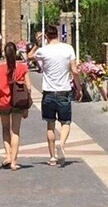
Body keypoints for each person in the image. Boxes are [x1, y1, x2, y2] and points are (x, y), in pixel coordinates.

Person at [28, 26, 78, 167]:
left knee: (50, 125)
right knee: (66, 122)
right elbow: (74, 70)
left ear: (47, 37)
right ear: (58, 34)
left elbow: (29, 56)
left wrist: (37, 44)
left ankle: (52, 158)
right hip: (64, 91)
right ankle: (61, 144)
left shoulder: (43, 51)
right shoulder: (68, 48)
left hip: (48, 92)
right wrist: (79, 88)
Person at [0, 41, 30, 171]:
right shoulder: (22, 68)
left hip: (3, 103)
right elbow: (28, 88)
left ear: (4, 53)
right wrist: (26, 107)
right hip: (18, 103)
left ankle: (8, 155)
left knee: (5, 128)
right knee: (16, 131)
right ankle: (14, 161)